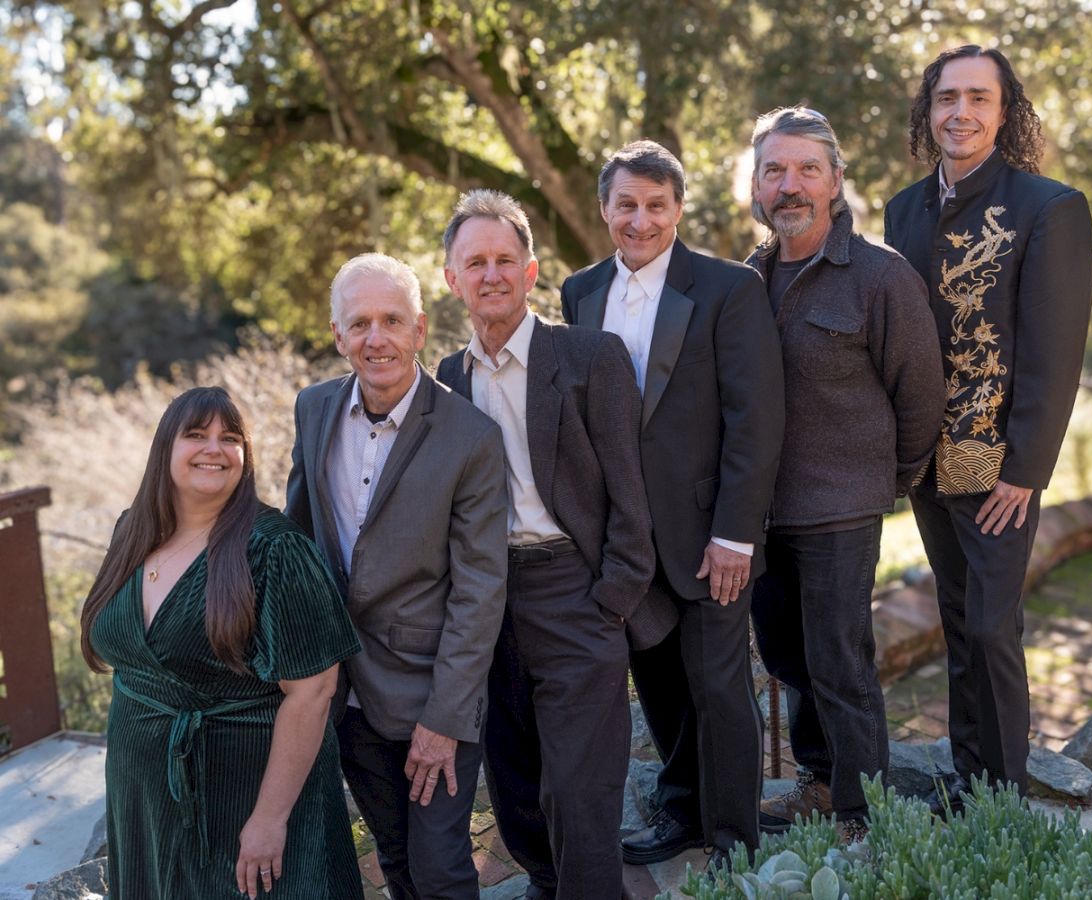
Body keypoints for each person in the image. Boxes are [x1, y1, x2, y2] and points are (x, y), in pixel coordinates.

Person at [561, 140, 785, 871]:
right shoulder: (579, 293)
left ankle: (733, 835)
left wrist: (735, 536)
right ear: (605, 210)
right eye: (626, 205)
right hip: (622, 536)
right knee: (657, 683)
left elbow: (756, 420)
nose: (641, 220)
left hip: (708, 530)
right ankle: (683, 813)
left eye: (656, 205)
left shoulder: (727, 290)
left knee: (719, 685)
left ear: (679, 209)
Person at [884, 45, 1092, 811]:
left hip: (998, 461)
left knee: (993, 628)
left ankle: (1001, 803)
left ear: (1005, 113)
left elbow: (1054, 350)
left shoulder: (1049, 206)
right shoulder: (902, 210)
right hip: (922, 462)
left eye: (978, 97)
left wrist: (1027, 469)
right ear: (927, 110)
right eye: (946, 98)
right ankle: (967, 783)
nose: (960, 112)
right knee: (955, 620)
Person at [437, 189, 655, 899]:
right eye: (476, 262)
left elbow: (630, 491)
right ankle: (547, 882)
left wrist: (613, 598)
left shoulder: (591, 357)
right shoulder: (443, 381)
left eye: (505, 259)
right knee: (513, 776)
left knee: (581, 786)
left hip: (574, 592)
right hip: (486, 602)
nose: (492, 274)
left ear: (530, 271)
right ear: (452, 279)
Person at [743, 107, 944, 842]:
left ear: (834, 182)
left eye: (805, 170)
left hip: (842, 510)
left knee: (840, 663)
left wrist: (881, 484)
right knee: (790, 658)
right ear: (757, 186)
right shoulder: (746, 280)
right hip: (763, 515)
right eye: (774, 170)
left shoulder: (880, 277)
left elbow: (922, 396)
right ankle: (819, 781)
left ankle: (866, 815)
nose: (789, 185)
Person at [79, 386, 364, 899]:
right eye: (196, 435)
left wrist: (268, 820)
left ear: (244, 457)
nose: (214, 448)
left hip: (241, 795)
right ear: (165, 447)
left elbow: (313, 692)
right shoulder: (132, 531)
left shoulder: (274, 550)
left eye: (229, 438)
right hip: (142, 796)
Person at [286, 253, 509, 898]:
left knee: (440, 869)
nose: (375, 338)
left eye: (391, 321)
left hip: (428, 692)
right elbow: (298, 540)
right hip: (343, 688)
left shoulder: (471, 438)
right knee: (395, 859)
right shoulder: (313, 409)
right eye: (359, 324)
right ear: (337, 335)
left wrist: (445, 718)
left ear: (419, 328)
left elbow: (479, 589)